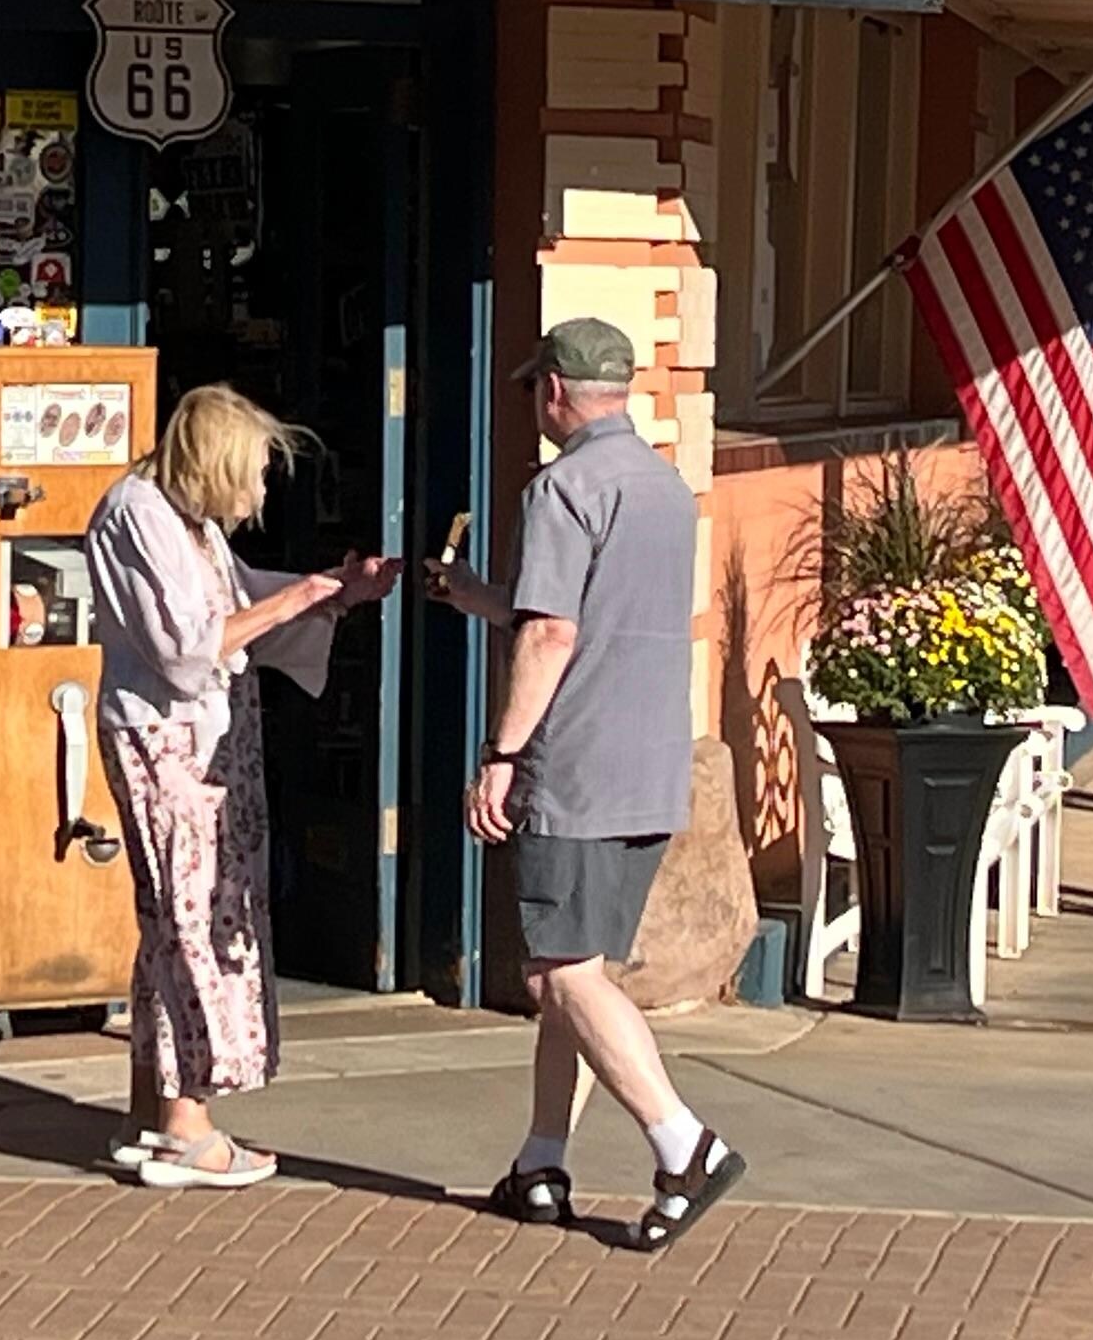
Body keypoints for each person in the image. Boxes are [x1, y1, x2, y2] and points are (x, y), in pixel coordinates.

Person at [429, 316, 748, 1251]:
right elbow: (578, 615)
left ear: (555, 390)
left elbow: (553, 635)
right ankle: (541, 1161)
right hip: (651, 762)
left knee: (558, 970)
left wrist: (501, 754)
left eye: (536, 388)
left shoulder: (561, 488)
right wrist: (477, 596)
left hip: (575, 764)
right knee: (577, 969)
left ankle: (683, 1143)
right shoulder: (665, 489)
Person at [84, 383, 394, 1189]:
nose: (258, 491)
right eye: (253, 472)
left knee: (181, 919)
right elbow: (187, 648)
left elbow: (234, 600)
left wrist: (332, 590)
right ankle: (188, 1126)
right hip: (169, 740)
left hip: (207, 738)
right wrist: (295, 598)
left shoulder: (188, 523)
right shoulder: (139, 514)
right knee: (193, 919)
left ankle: (151, 1114)